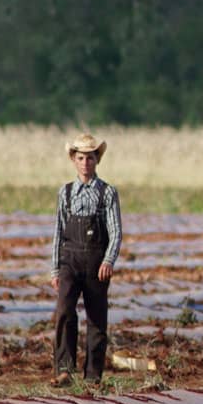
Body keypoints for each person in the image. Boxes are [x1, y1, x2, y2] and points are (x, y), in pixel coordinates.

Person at [50, 132, 122, 383]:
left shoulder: (107, 193)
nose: (85, 163)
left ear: (97, 160)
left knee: (96, 319)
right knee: (64, 312)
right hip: (69, 260)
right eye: (80, 158)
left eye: (90, 158)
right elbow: (58, 231)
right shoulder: (66, 193)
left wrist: (108, 260)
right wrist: (55, 270)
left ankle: (93, 376)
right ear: (73, 159)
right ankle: (64, 370)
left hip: (96, 262)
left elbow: (115, 232)